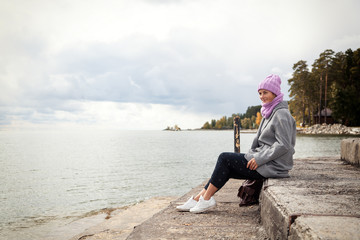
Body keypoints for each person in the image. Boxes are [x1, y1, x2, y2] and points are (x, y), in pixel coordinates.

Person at [177, 74, 296, 213]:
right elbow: (259, 142)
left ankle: (207, 199)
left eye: (265, 93)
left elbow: (284, 145)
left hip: (274, 165)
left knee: (224, 158)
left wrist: (258, 158)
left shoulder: (281, 114)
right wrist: (253, 155)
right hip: (264, 160)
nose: (262, 96)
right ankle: (199, 199)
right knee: (225, 166)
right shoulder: (268, 112)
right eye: (260, 93)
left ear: (275, 93)